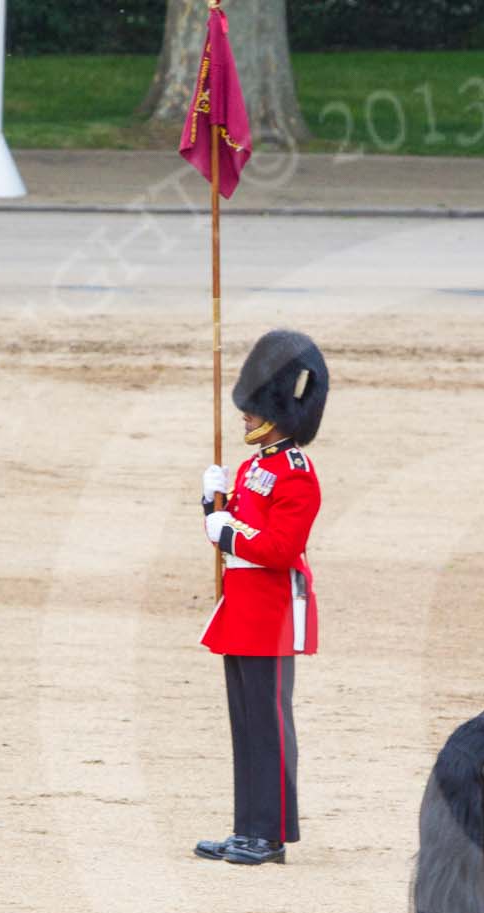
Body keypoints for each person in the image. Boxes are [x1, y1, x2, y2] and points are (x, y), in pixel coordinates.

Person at [195, 330, 327, 867]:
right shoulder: (254, 468)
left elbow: (279, 549)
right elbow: (235, 532)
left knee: (270, 726)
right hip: (244, 609)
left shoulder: (296, 474)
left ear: (279, 415)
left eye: (253, 411)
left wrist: (224, 531)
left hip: (270, 610)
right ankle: (246, 827)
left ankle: (270, 835)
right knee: (246, 724)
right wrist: (211, 504)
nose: (245, 419)